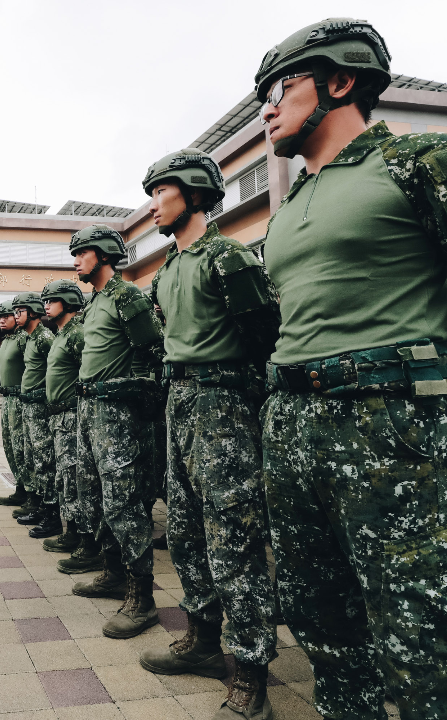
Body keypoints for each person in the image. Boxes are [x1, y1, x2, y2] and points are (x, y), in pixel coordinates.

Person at [257, 18, 447, 719]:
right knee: (322, 625)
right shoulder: (294, 202)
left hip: (390, 427)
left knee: (420, 634)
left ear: (340, 82)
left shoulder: (417, 158)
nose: (269, 107)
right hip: (294, 424)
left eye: (281, 87)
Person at [139, 149, 281, 720]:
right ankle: (203, 638)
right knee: (188, 529)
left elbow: (265, 337)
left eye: (161, 192)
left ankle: (250, 671)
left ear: (195, 193)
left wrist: (241, 401)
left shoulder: (227, 257)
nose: (153, 205)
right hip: (180, 402)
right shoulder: (169, 268)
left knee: (234, 536)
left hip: (222, 404)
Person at [68, 224, 165, 639]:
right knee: (95, 496)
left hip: (118, 414)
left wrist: (133, 392)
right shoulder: (95, 304)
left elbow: (154, 351)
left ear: (104, 253)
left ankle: (141, 599)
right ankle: (111, 572)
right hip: (90, 409)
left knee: (124, 503)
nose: (75, 260)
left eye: (81, 252)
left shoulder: (127, 297)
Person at [39, 281, 102, 566]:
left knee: (78, 478)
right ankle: (73, 531)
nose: (46, 306)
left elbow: (90, 372)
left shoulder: (77, 333)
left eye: (51, 301)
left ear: (66, 302)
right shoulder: (61, 334)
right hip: (59, 417)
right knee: (65, 478)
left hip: (72, 416)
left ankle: (87, 540)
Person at [12, 292, 58, 538]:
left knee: (44, 461)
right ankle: (41, 506)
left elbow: (60, 368)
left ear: (31, 312)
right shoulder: (29, 339)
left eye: (19, 311)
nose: (15, 315)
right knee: (32, 459)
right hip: (28, 406)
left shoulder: (44, 337)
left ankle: (52, 516)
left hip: (41, 407)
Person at [0, 301, 32, 508]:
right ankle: (20, 487)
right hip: (7, 399)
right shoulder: (7, 340)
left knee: (21, 447)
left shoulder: (23, 339)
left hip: (20, 399)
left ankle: (30, 491)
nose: (2, 320)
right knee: (9, 445)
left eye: (6, 316)